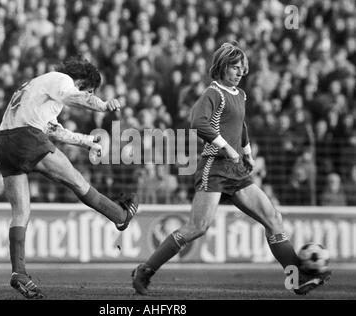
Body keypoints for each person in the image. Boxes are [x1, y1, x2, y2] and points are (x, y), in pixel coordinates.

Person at [131, 43, 331, 296]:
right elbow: (198, 123)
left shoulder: (240, 94)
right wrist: (226, 147)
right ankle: (145, 271)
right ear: (222, 66)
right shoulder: (213, 93)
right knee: (197, 227)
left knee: (274, 219)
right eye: (234, 67)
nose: (239, 72)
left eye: (241, 68)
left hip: (236, 169)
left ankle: (297, 279)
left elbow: (241, 125)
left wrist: (246, 152)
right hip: (214, 167)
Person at [0, 55, 139, 299]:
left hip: (4, 144)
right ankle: (120, 216)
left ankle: (18, 272)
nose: (88, 94)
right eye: (90, 90)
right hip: (27, 138)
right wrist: (102, 105)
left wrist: (86, 141)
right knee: (76, 180)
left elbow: (52, 129)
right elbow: (74, 97)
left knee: (20, 213)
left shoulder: (37, 85)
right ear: (83, 81)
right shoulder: (62, 80)